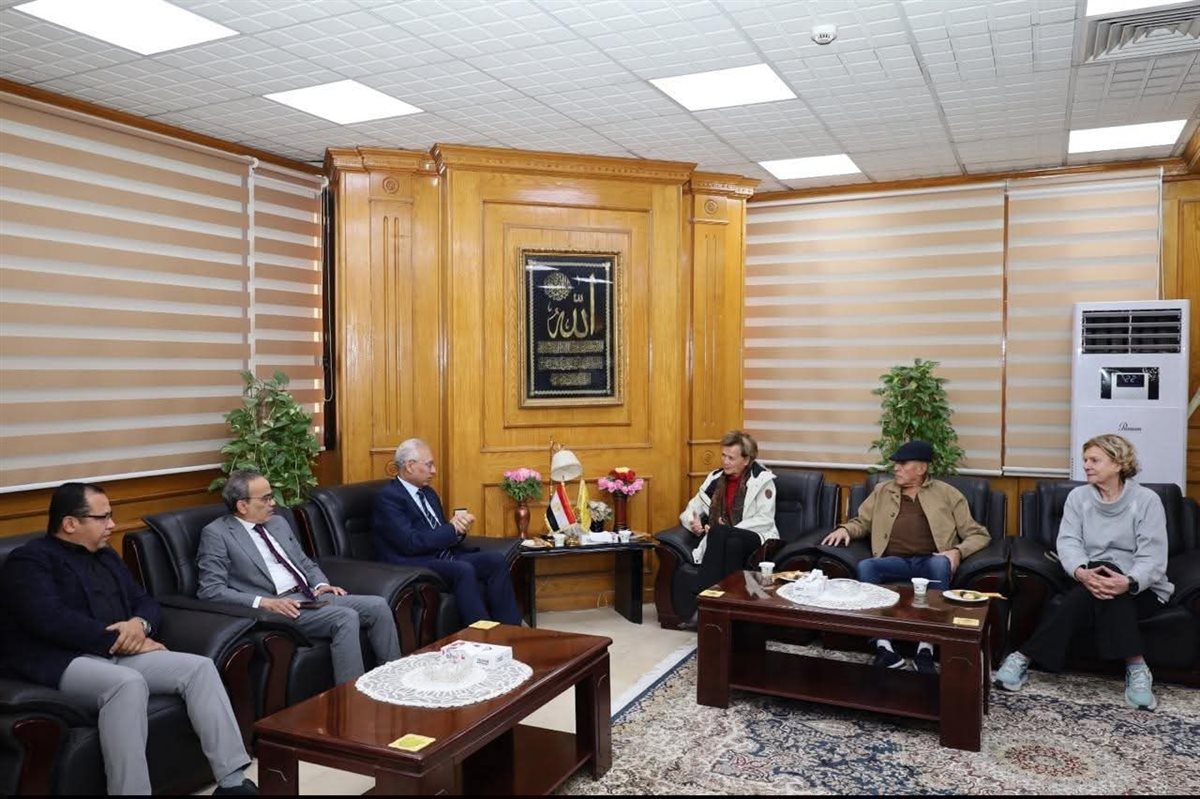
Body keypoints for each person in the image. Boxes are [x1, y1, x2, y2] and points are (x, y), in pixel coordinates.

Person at [0, 483, 257, 795]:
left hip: (118, 653)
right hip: (62, 661)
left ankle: (232, 782)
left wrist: (139, 625)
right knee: (127, 684)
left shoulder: (106, 555)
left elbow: (145, 601)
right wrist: (120, 640)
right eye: (103, 518)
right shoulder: (30, 561)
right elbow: (49, 619)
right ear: (70, 523)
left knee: (199, 669)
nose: (112, 524)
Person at [994, 434, 1171, 710]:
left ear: (1117, 464)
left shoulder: (1147, 501)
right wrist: (1081, 572)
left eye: (1094, 460)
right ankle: (1136, 666)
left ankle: (1023, 656)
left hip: (1140, 587)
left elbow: (1153, 556)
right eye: (1085, 459)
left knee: (1100, 582)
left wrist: (1128, 581)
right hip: (1087, 578)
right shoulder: (1078, 497)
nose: (1086, 465)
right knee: (1099, 580)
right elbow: (1068, 542)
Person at [197, 469, 400, 685]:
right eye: (265, 498)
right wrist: (264, 602)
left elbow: (303, 561)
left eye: (271, 496)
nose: (273, 503)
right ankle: (351, 695)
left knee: (378, 606)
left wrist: (320, 584)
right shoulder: (217, 534)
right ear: (242, 505)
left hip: (309, 596)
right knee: (344, 617)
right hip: (279, 607)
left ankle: (393, 680)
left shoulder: (278, 523)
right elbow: (211, 590)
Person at [822, 440, 990, 674]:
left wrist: (957, 551)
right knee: (867, 567)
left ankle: (926, 648)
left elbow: (979, 534)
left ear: (922, 468)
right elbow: (861, 522)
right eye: (896, 464)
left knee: (940, 564)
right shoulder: (882, 491)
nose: (896, 468)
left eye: (902, 464)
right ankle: (883, 646)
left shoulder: (947, 494)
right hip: (895, 561)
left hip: (931, 560)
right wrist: (846, 530)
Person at [372, 438, 522, 627]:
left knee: (495, 560)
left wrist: (458, 530)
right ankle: (482, 636)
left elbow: (442, 530)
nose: (434, 471)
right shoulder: (389, 498)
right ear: (409, 466)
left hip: (442, 555)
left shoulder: (428, 493)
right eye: (429, 465)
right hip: (413, 561)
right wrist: (451, 529)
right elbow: (410, 543)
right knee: (463, 569)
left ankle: (511, 629)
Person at [679, 430, 779, 597]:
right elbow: (691, 510)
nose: (725, 461)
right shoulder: (715, 479)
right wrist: (693, 523)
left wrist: (728, 529)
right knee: (732, 544)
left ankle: (701, 597)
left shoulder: (762, 480)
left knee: (720, 532)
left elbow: (765, 520)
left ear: (746, 460)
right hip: (726, 539)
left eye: (731, 458)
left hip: (757, 537)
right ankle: (728, 600)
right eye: (723, 455)